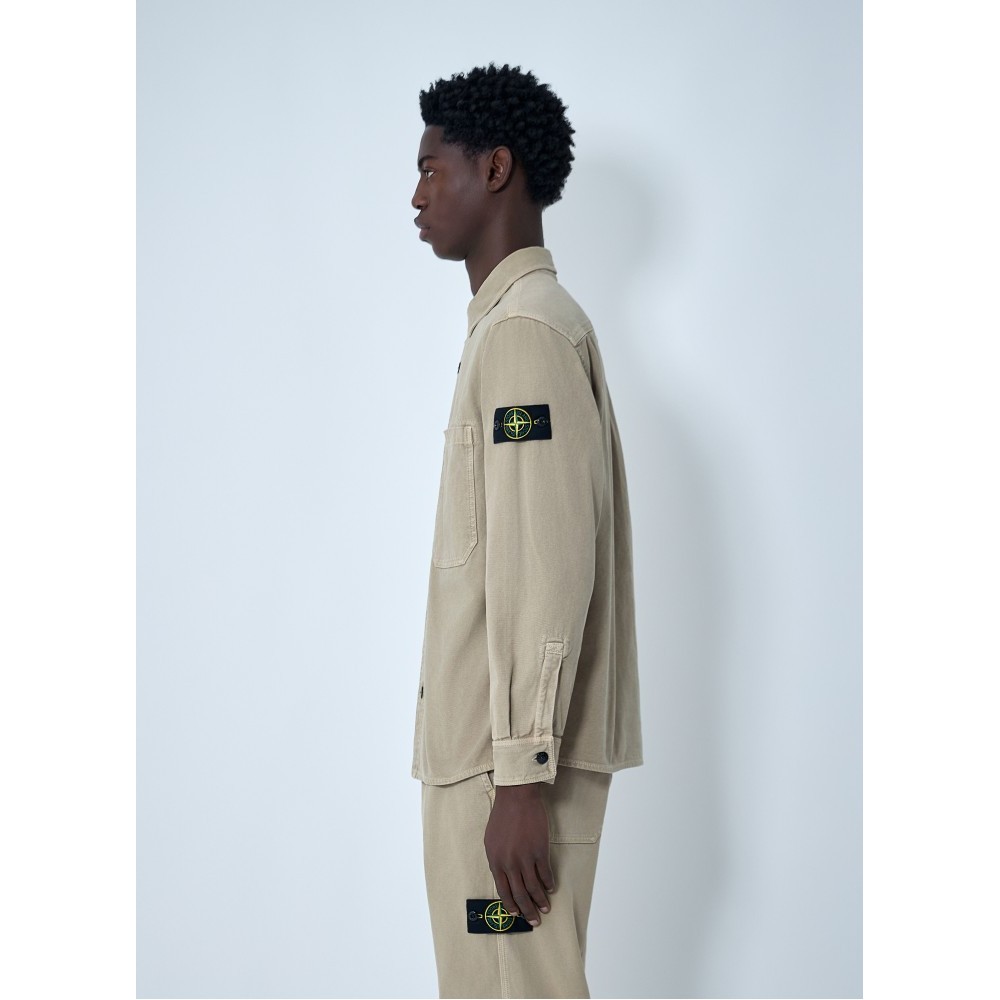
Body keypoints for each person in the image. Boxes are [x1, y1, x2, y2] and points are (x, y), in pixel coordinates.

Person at [410, 63, 643, 1000]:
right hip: (494, 759)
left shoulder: (524, 336)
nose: (416, 196)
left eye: (432, 169)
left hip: (502, 769)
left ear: (496, 168)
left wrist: (520, 775)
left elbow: (546, 563)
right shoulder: (515, 327)